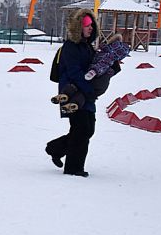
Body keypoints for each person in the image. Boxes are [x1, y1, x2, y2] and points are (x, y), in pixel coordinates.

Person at [45, 9, 99, 177]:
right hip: (72, 94)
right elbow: (75, 72)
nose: (90, 28)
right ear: (78, 27)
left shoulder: (87, 46)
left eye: (92, 24)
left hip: (86, 94)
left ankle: (55, 148)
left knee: (88, 129)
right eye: (86, 25)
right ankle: (74, 169)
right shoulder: (71, 46)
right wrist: (89, 89)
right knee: (81, 130)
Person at [51, 32, 128, 113]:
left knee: (76, 86)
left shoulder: (100, 53)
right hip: (102, 81)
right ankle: (75, 104)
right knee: (86, 94)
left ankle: (65, 94)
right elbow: (105, 68)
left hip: (90, 75)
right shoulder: (112, 61)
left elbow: (97, 64)